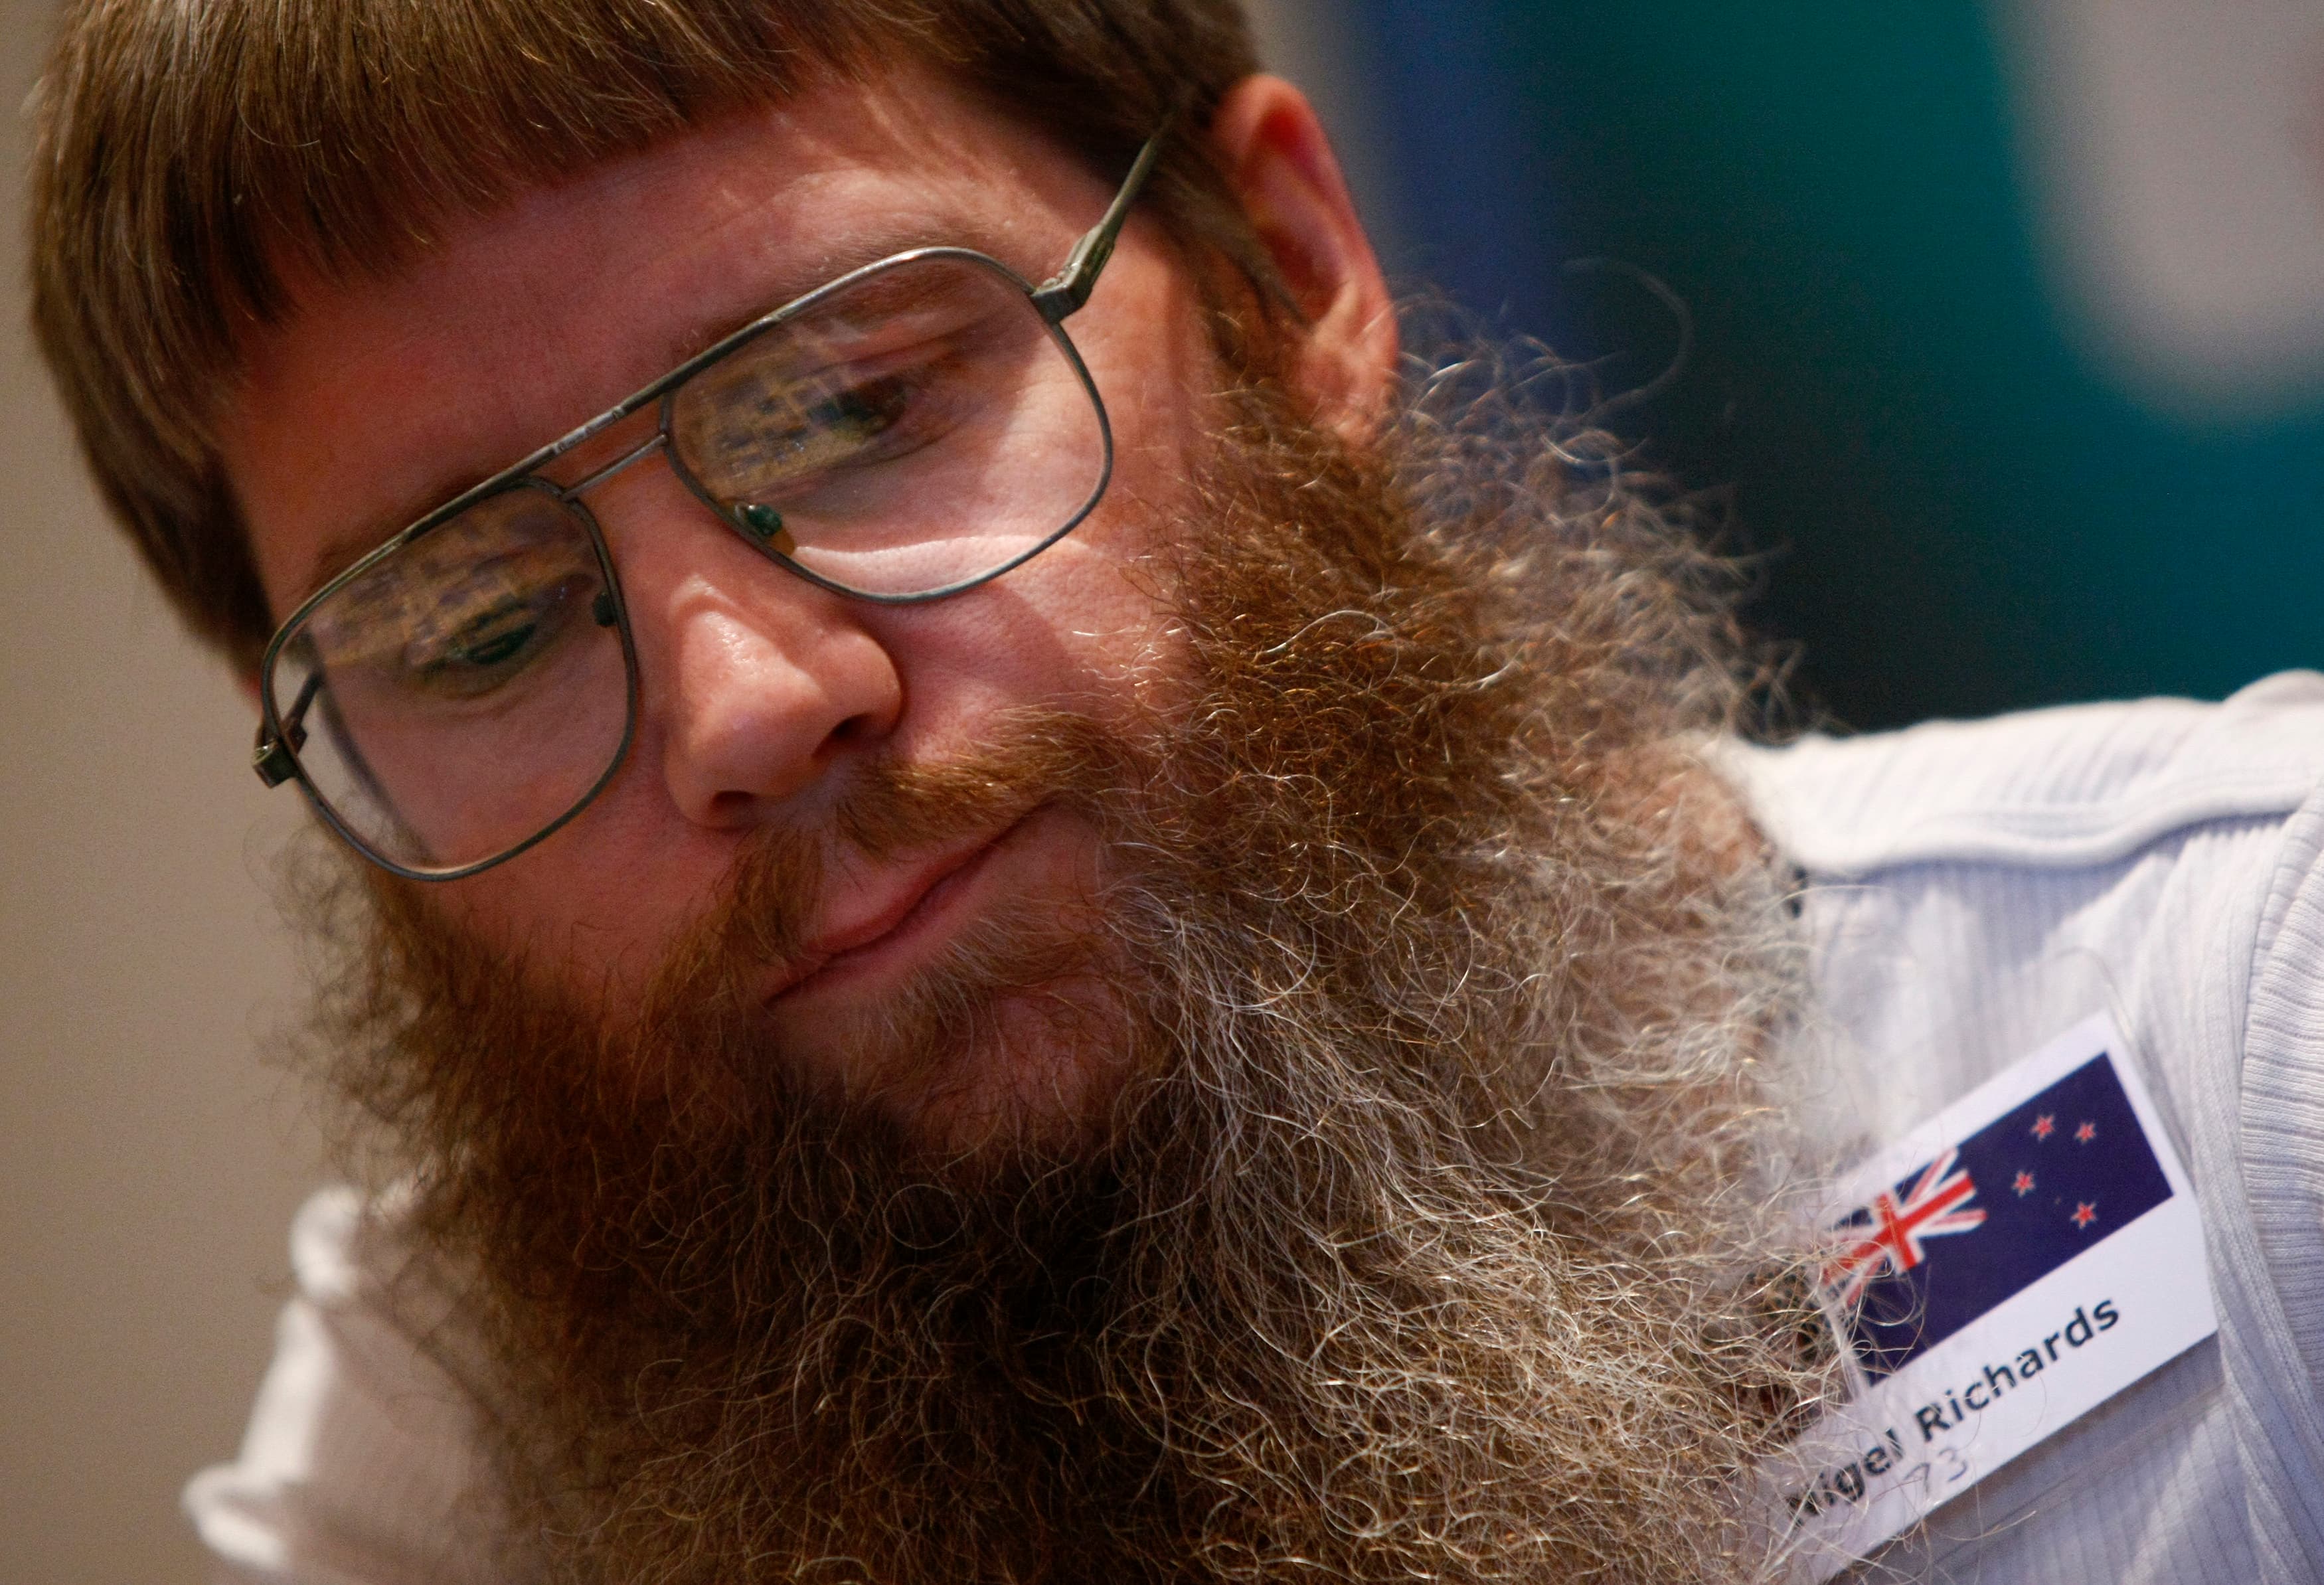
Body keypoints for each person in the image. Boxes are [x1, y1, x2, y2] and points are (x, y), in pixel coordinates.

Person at [26, 1, 2324, 1581]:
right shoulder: (478, 1452)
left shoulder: (2240, 1048)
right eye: (481, 628)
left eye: (856, 401)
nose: (736, 703)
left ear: (1288, 277)